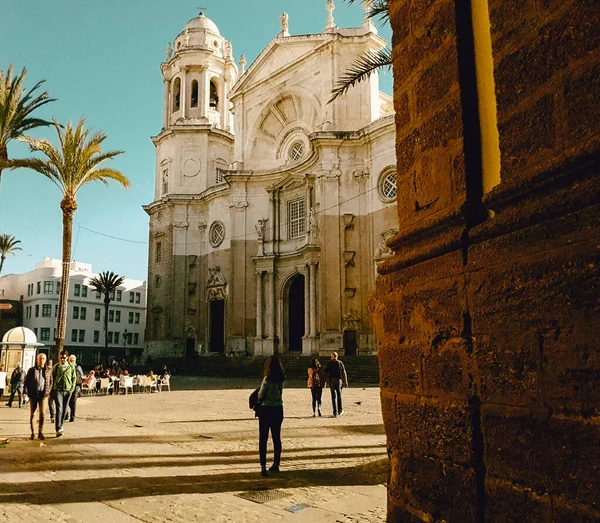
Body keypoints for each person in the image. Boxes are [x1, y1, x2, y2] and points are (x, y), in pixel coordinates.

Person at [257, 356, 285, 477]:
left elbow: (260, 395)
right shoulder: (281, 379)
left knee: (263, 439)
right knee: (276, 438)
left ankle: (263, 466)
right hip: (278, 409)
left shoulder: (267, 379)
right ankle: (276, 464)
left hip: (266, 409)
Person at [23, 353, 52, 440]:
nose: (41, 360)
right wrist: (25, 392)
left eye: (43, 358)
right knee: (33, 414)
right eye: (40, 358)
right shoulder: (31, 370)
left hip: (43, 395)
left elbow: (51, 382)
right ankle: (33, 432)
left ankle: (40, 432)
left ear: (45, 360)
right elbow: (26, 382)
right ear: (37, 359)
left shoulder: (48, 370)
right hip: (33, 394)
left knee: (43, 414)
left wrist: (48, 392)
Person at [52, 351, 76, 437]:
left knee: (65, 409)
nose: (62, 359)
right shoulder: (56, 367)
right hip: (58, 389)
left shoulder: (71, 366)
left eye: (64, 358)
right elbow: (52, 378)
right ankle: (58, 428)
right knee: (59, 408)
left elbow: (74, 377)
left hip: (67, 390)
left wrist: (72, 388)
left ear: (67, 358)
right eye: (61, 357)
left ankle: (61, 425)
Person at [325, 352, 348, 417]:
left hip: (331, 380)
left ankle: (335, 412)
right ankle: (340, 410)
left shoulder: (329, 363)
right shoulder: (340, 362)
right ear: (337, 356)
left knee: (333, 396)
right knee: (339, 395)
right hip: (338, 380)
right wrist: (345, 381)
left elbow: (325, 372)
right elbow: (344, 372)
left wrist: (325, 381)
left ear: (332, 357)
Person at [67, 355, 85, 422]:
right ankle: (72, 416)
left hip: (69, 385)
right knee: (73, 401)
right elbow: (82, 376)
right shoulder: (78, 367)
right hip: (77, 385)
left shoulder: (68, 366)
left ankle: (66, 415)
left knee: (67, 400)